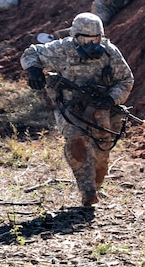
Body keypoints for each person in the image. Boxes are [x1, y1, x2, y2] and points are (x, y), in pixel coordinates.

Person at [20, 12, 134, 207]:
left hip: (102, 109)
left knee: (101, 155)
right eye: (86, 40)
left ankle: (95, 184)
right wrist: (33, 70)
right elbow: (31, 53)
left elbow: (126, 80)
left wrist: (110, 98)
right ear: (76, 37)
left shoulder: (110, 52)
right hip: (70, 109)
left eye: (96, 39)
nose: (92, 44)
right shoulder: (62, 49)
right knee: (77, 143)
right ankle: (87, 191)